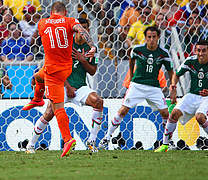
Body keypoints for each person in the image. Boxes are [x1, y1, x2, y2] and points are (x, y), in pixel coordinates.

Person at [22, 1, 96, 157]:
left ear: (51, 12)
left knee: (57, 108)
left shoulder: (43, 23)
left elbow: (38, 39)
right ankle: (37, 99)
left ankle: (68, 139)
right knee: (37, 77)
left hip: (54, 72)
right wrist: (93, 46)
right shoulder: (70, 21)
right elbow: (80, 30)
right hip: (62, 68)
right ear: (65, 12)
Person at [99, 26, 174, 149]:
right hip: (137, 85)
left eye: (154, 37)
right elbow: (131, 61)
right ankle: (107, 138)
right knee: (123, 110)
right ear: (145, 38)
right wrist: (132, 76)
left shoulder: (163, 53)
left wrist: (172, 87)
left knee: (165, 113)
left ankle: (168, 142)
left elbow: (171, 71)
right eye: (149, 37)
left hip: (154, 87)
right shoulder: (137, 50)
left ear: (158, 37)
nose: (151, 40)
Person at [155, 40, 208, 152]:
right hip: (192, 95)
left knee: (200, 117)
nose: (201, 53)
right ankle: (165, 145)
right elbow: (176, 74)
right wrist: (173, 87)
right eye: (198, 50)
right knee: (174, 113)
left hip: (206, 98)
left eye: (204, 50)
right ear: (195, 50)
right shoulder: (190, 61)